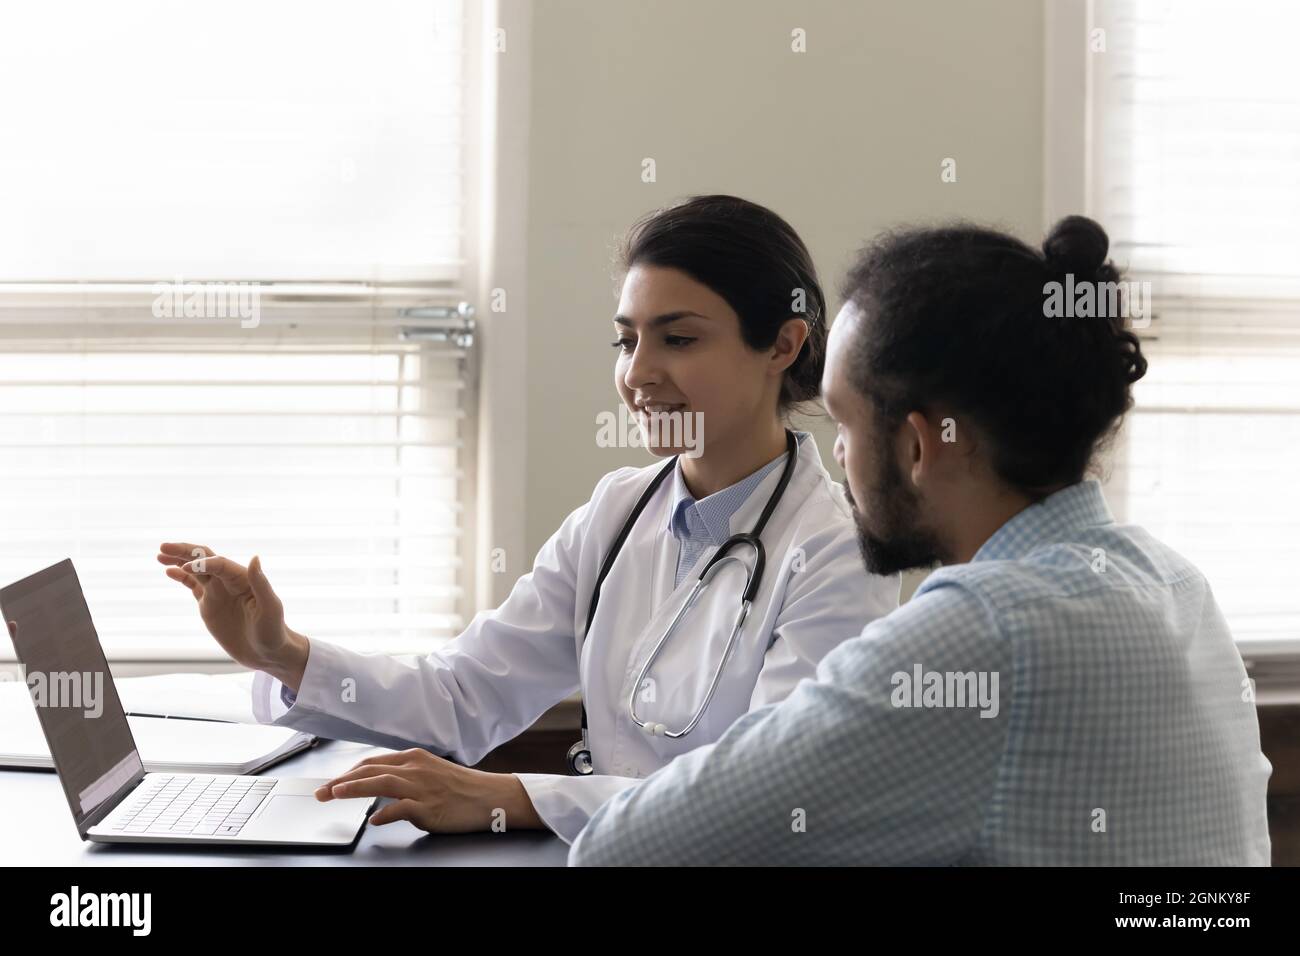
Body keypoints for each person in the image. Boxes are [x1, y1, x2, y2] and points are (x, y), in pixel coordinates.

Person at [157, 195, 899, 843]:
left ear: (782, 344)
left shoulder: (837, 553)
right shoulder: (617, 512)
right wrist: (281, 652)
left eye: (678, 339)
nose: (638, 374)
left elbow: (764, 801)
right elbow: (465, 694)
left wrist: (517, 797)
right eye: (627, 339)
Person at [568, 215, 1273, 865]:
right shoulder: (1177, 585)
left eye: (844, 424)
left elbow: (626, 851)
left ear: (918, 443)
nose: (838, 457)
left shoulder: (979, 631)